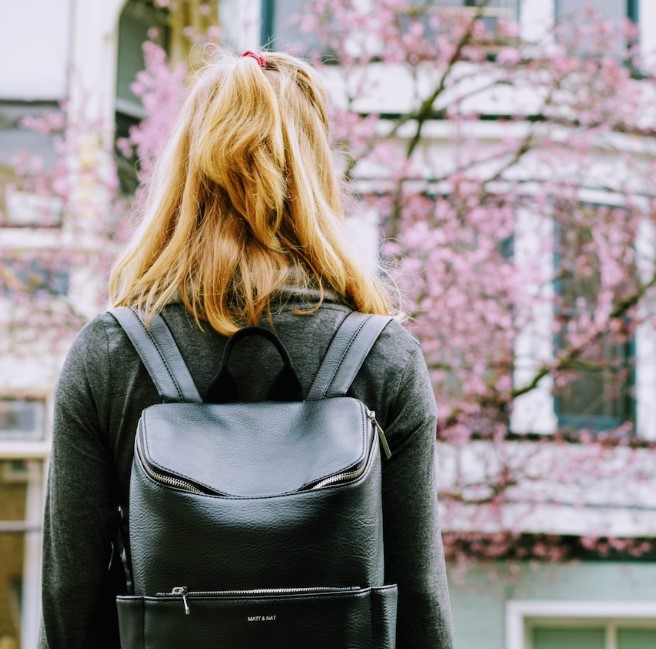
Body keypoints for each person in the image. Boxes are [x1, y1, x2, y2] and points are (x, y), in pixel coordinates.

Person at [39, 49, 455, 648]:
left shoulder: (110, 355)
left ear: (183, 172)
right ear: (315, 175)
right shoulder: (383, 357)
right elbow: (418, 602)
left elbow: (69, 603)